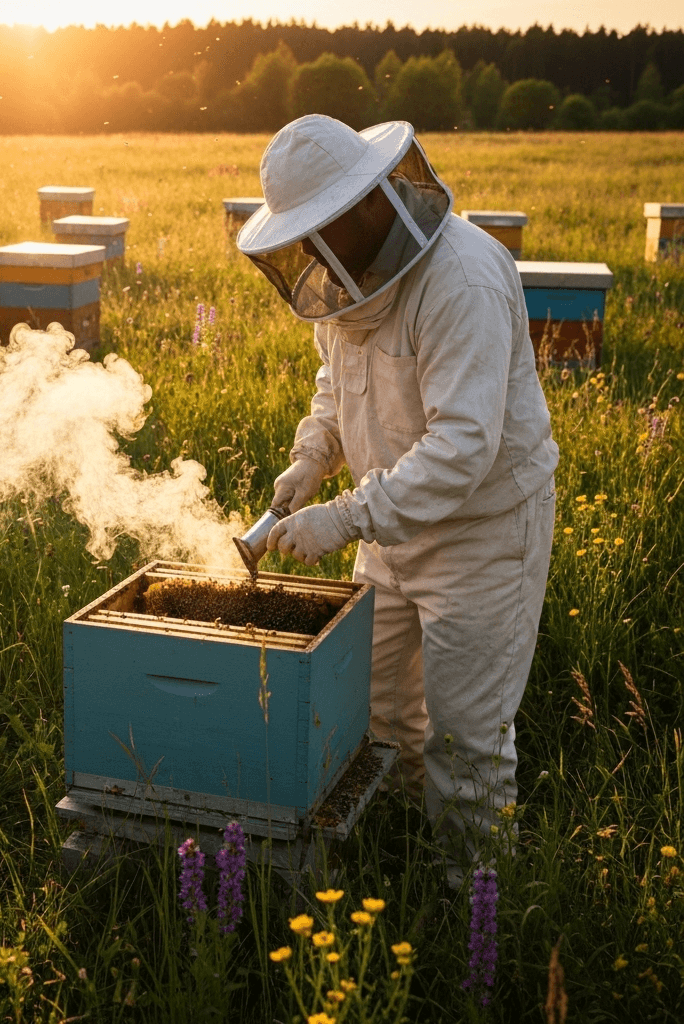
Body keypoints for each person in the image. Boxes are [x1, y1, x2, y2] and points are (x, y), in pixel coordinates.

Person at [236, 115, 559, 887]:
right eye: (301, 239)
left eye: (322, 231)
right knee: (374, 710)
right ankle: (409, 853)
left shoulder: (463, 280)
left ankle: (471, 905)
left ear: (368, 203)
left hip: (481, 537)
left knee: (465, 741)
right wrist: (312, 457)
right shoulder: (344, 282)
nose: (313, 254)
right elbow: (337, 382)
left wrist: (346, 518)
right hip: (389, 530)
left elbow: (462, 448)